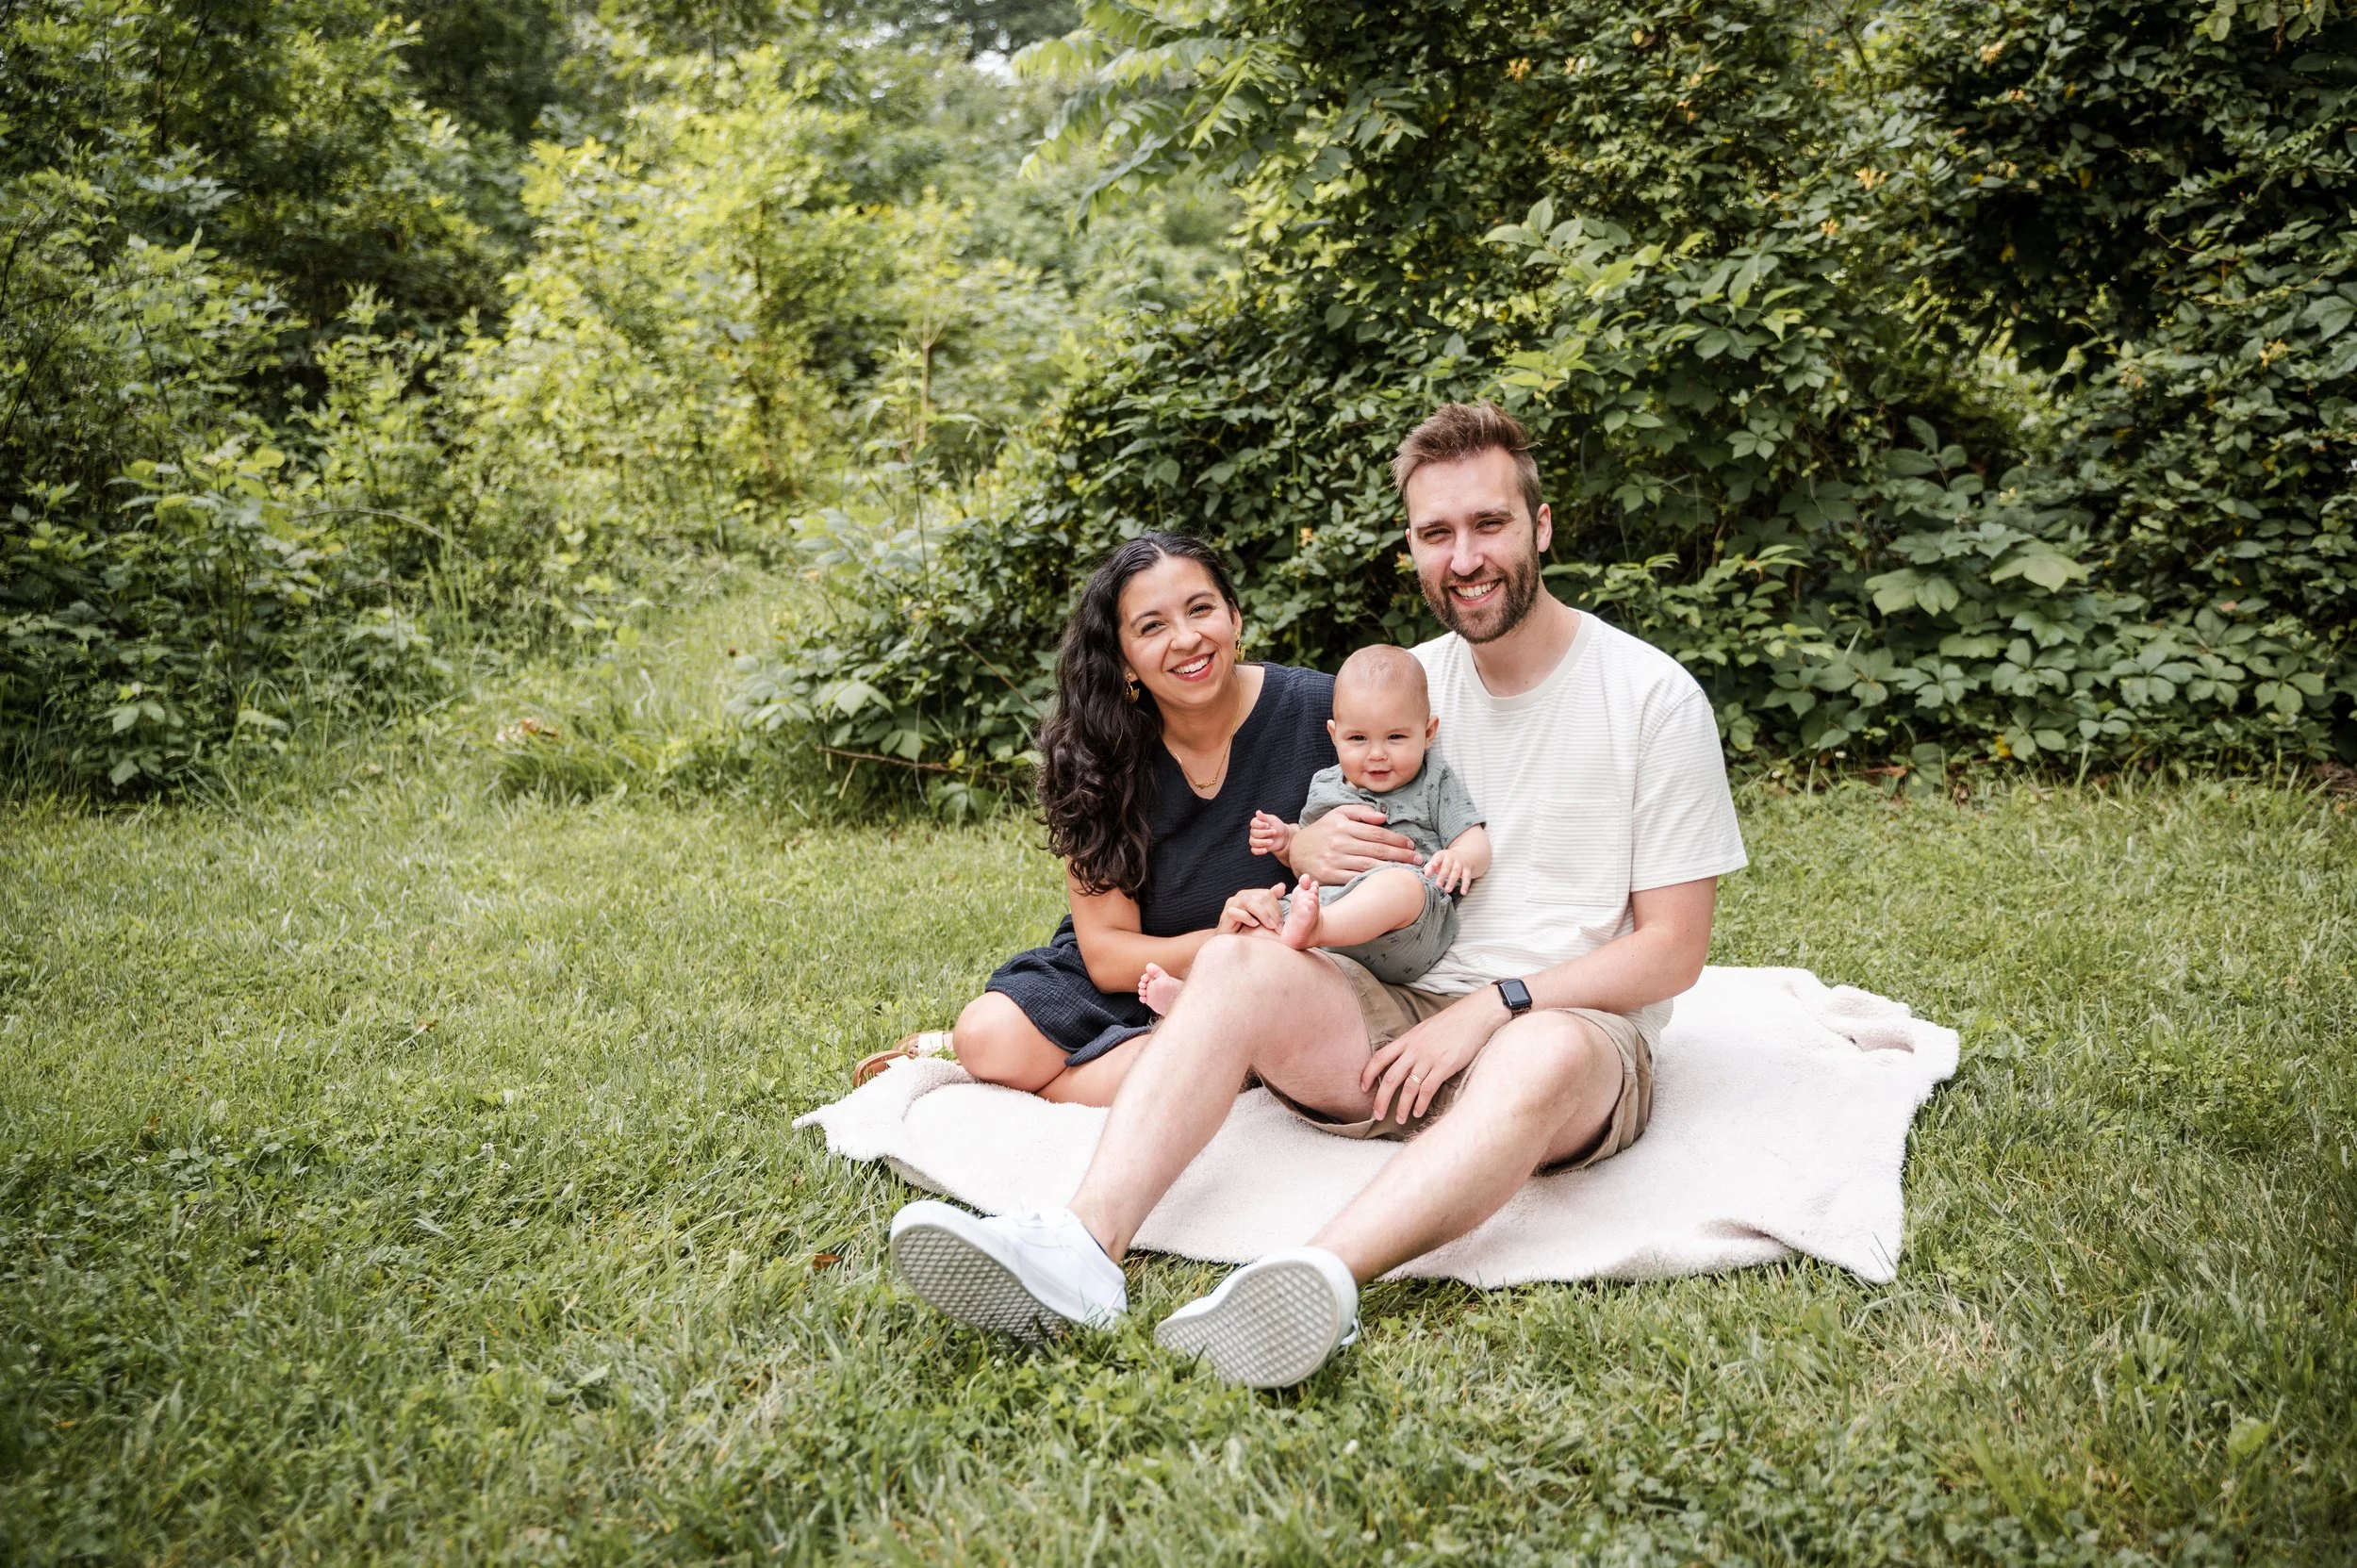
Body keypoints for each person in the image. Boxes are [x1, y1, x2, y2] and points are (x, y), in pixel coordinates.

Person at [888, 401, 1748, 1387]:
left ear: (1541, 527)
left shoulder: (1650, 696)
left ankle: (1313, 1282)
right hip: (1386, 1015)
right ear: (1412, 548)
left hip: (1566, 1028)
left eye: (1488, 524)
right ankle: (1082, 1249)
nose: (1463, 557)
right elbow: (1311, 835)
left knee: (1541, 1051)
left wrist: (1491, 1007)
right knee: (1242, 960)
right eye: (1435, 534)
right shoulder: (1392, 693)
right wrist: (1303, 860)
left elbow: (1673, 948)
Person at [852, 532, 1336, 1106]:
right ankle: (1150, 1061)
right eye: (1151, 627)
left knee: (1227, 1036)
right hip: (1143, 969)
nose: (1186, 639)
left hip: (1276, 976)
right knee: (987, 1037)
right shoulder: (1095, 752)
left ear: (1234, 617)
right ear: (1123, 660)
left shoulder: (1322, 712)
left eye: (1201, 609)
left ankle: (1088, 1078)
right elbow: (1107, 957)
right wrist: (1224, 942)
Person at [1136, 643, 1489, 1015]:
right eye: (1358, 739)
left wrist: (1460, 857)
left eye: (1396, 738)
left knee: (1400, 885)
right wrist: (1286, 840)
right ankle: (1195, 1000)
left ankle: (1315, 929)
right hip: (1328, 925)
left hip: (1409, 928)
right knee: (1258, 916)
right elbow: (1304, 853)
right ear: (1334, 735)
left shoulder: (1433, 779)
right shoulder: (1325, 783)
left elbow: (1473, 838)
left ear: (1428, 732)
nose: (1377, 754)